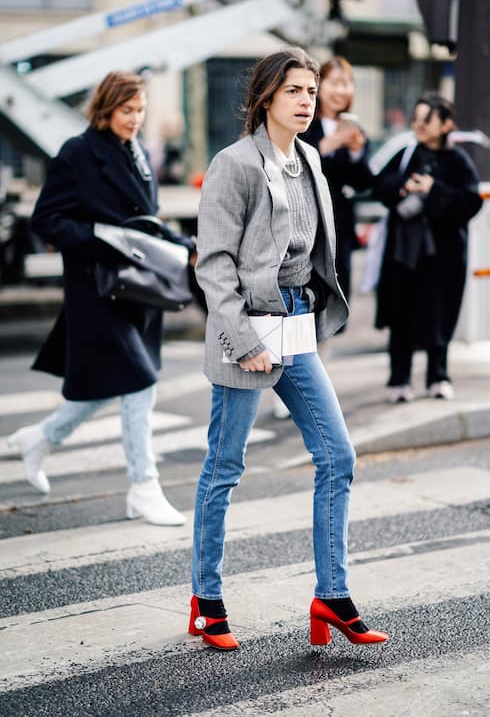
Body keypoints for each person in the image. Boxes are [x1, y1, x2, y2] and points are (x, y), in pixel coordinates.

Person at [188, 48, 389, 651]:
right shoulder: (235, 164)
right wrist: (243, 340)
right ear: (267, 97)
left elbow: (315, 251)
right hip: (247, 332)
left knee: (338, 456)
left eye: (311, 91)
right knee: (225, 466)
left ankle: (332, 596)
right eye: (295, 91)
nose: (306, 102)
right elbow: (214, 265)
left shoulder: (310, 160)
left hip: (297, 328)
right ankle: (206, 599)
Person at [7, 71, 193, 526]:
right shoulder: (77, 152)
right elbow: (46, 220)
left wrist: (184, 245)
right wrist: (101, 238)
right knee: (140, 382)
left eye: (140, 110)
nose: (135, 118)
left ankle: (42, 438)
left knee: (120, 382)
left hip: (138, 288)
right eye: (127, 110)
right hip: (98, 287)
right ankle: (143, 487)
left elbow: (145, 220)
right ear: (106, 108)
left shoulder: (137, 152)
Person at [373, 93, 483, 403]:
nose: (418, 125)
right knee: (401, 316)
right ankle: (399, 380)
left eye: (426, 119)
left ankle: (438, 377)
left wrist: (434, 189)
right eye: (415, 119)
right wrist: (403, 186)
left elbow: (471, 202)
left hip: (443, 255)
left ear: (446, 124)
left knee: (440, 315)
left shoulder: (458, 160)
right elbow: (379, 185)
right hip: (404, 253)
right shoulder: (406, 154)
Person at [300, 56, 373, 305]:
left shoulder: (356, 131)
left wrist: (356, 153)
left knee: (338, 292)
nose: (341, 90)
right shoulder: (305, 124)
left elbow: (364, 183)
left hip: (339, 222)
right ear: (319, 87)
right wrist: (330, 143)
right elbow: (298, 163)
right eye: (334, 83)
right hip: (308, 218)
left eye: (346, 83)